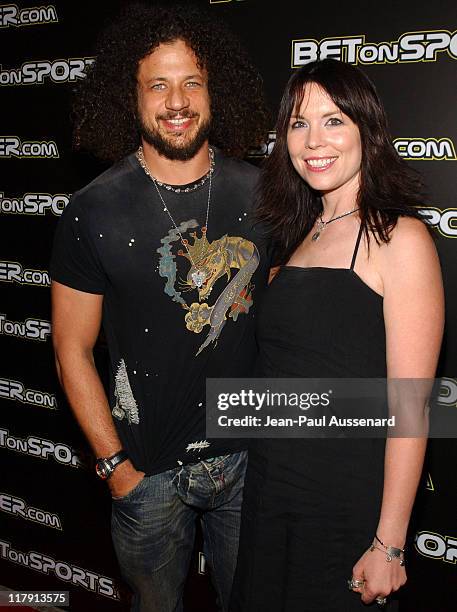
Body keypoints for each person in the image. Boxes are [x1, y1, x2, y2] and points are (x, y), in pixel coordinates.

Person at [50, 3, 269, 611]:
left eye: (192, 82)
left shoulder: (263, 194)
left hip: (249, 461)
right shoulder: (93, 210)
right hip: (149, 479)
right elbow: (71, 349)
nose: (177, 102)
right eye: (159, 85)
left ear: (214, 92)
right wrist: (116, 468)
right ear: (133, 98)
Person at [230, 59, 444, 611]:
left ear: (366, 131)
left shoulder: (402, 239)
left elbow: (411, 408)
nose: (313, 140)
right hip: (270, 496)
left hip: (342, 506)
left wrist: (389, 544)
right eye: (299, 124)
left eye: (333, 120)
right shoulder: (296, 233)